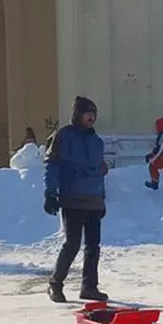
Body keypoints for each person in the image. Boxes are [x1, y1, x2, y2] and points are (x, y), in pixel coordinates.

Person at [43, 96, 109, 303]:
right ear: (77, 115)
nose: (91, 117)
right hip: (72, 199)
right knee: (72, 244)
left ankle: (89, 287)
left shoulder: (97, 142)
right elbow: (52, 165)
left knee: (93, 246)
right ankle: (55, 284)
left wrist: (102, 198)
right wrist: (50, 193)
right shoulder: (64, 136)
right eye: (87, 113)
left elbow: (100, 171)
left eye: (94, 113)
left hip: (93, 200)